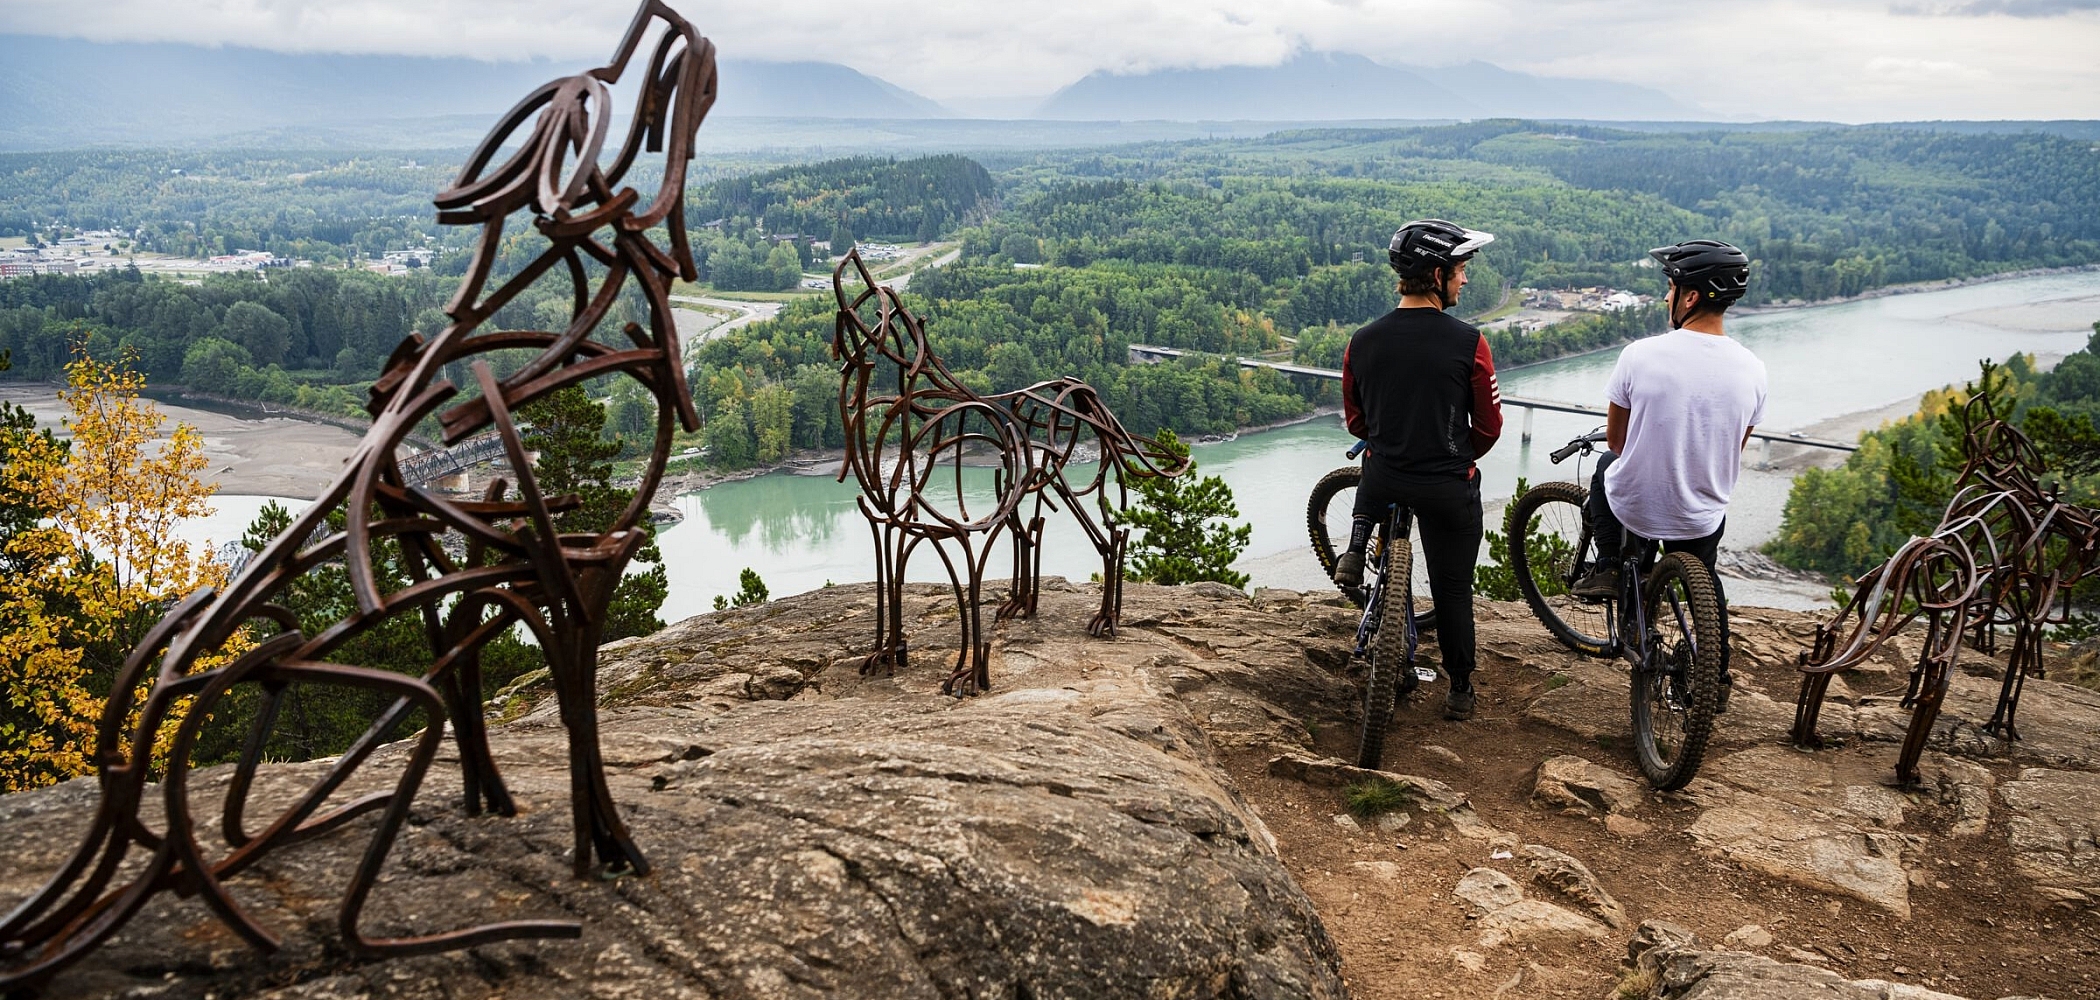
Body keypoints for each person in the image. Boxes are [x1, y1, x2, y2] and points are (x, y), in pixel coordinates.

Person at [1572, 239, 1768, 707]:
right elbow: (1732, 448)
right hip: (1701, 513)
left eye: (1670, 288)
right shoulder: (1754, 369)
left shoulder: (1639, 355)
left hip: (1640, 507)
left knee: (1604, 467)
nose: (1666, 298)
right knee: (1706, 578)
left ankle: (1612, 568)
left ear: (1691, 296)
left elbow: (1617, 442)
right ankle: (1715, 678)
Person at [1333, 218, 1504, 721]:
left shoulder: (1361, 341)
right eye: (1460, 270)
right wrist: (1453, 452)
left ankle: (1358, 544)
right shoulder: (1469, 342)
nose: (1465, 280)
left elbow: (1356, 420)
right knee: (1452, 589)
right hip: (1448, 486)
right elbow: (1489, 427)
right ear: (1436, 274)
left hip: (1385, 476)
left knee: (1375, 462)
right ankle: (1460, 690)